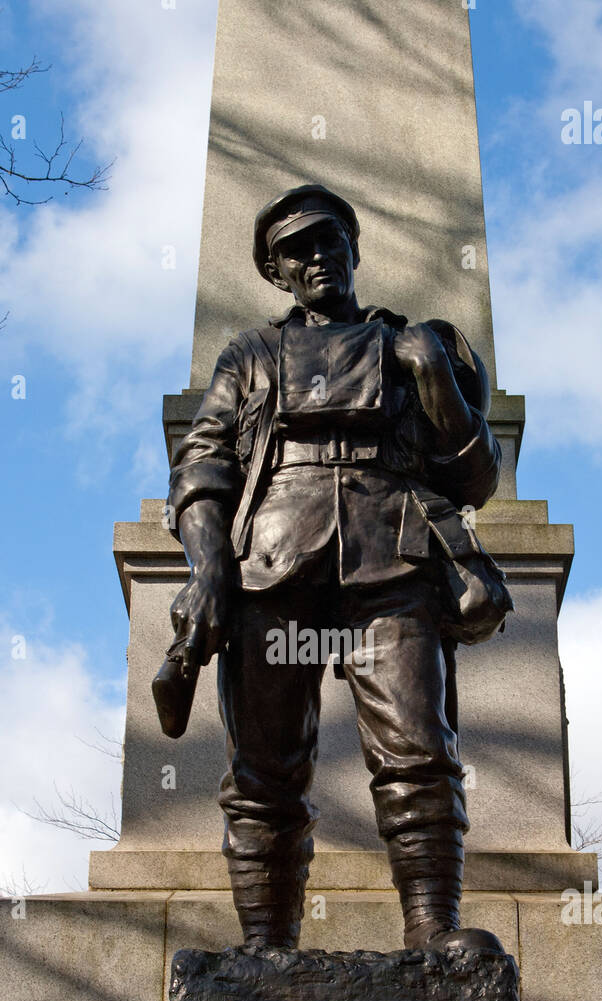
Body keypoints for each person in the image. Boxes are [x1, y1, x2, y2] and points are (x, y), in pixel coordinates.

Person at [166, 184, 506, 954]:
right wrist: (209, 566)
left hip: (391, 560)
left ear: (354, 249)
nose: (316, 258)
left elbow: (475, 478)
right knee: (262, 771)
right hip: (271, 567)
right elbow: (202, 468)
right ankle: (264, 947)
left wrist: (438, 385)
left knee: (419, 751)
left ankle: (432, 932)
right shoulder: (250, 356)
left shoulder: (422, 345)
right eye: (296, 251)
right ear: (276, 272)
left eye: (328, 242)